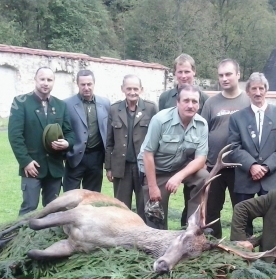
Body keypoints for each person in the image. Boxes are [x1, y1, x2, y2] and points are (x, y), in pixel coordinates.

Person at [138, 84, 209, 230]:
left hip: (178, 167)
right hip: (155, 170)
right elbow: (147, 154)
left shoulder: (202, 124)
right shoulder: (160, 120)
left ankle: (193, 227)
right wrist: (153, 187)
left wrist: (179, 176)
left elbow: (200, 159)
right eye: (186, 101)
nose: (190, 105)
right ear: (177, 102)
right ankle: (157, 242)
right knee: (155, 216)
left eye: (194, 101)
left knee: (203, 176)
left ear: (199, 104)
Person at [228, 72, 276, 236]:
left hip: (271, 178)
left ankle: (269, 254)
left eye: (261, 88)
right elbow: (234, 147)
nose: (258, 92)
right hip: (245, 177)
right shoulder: (237, 118)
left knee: (273, 220)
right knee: (243, 220)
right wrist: (252, 166)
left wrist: (266, 167)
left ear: (266, 90)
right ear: (247, 92)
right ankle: (241, 252)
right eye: (253, 89)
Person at [8, 67, 74, 216]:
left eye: (49, 80)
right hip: (32, 166)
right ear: (35, 80)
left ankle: (48, 239)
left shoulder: (60, 105)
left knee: (54, 210)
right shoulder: (20, 102)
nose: (45, 83)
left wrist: (67, 143)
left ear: (53, 82)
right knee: (29, 209)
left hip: (55, 167)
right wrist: (25, 161)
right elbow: (15, 136)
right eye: (42, 79)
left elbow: (69, 133)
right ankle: (21, 238)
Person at [158, 53, 209, 228]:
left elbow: (203, 129)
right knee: (158, 200)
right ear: (175, 73)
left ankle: (190, 228)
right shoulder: (165, 97)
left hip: (192, 159)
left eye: (187, 71)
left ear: (194, 72)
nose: (184, 76)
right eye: (180, 72)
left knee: (195, 192)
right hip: (167, 157)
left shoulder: (203, 98)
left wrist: (201, 160)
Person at [200, 59, 250, 238]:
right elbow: (201, 132)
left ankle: (242, 248)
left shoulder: (248, 100)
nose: (224, 78)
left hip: (241, 168)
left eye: (228, 74)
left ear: (238, 74)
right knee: (211, 211)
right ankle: (214, 248)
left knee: (243, 212)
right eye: (221, 75)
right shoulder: (211, 103)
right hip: (215, 167)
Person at [105, 75, 158, 219]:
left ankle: (143, 236)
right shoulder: (114, 109)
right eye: (129, 88)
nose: (132, 92)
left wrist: (154, 167)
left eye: (135, 88)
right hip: (121, 167)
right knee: (121, 206)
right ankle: (122, 237)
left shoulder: (151, 108)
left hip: (143, 166)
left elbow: (157, 139)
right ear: (123, 89)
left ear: (141, 89)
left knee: (144, 204)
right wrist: (109, 167)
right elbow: (109, 141)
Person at [63, 69, 110, 192]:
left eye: (89, 84)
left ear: (94, 84)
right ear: (77, 84)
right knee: (70, 197)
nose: (86, 87)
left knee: (92, 197)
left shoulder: (105, 103)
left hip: (96, 157)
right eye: (83, 84)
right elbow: (63, 131)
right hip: (75, 157)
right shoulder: (66, 104)